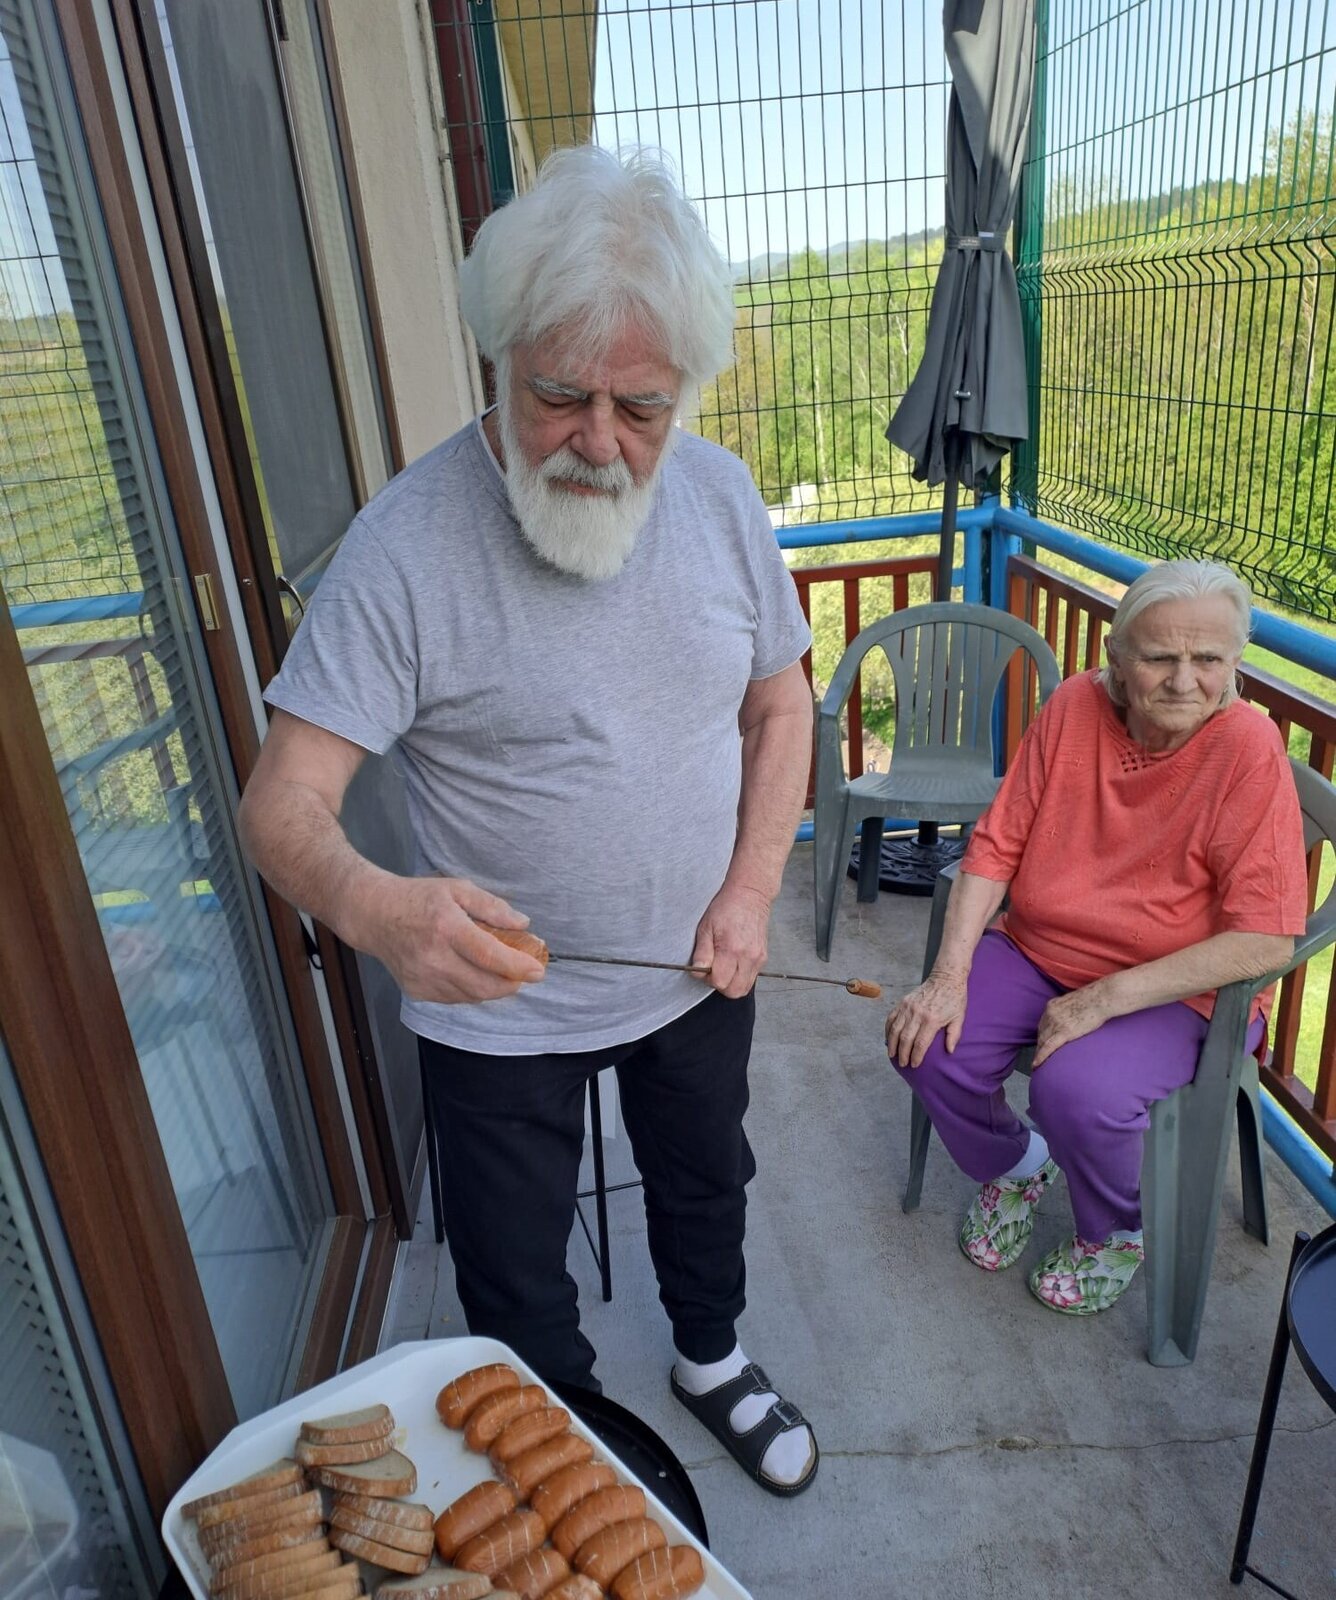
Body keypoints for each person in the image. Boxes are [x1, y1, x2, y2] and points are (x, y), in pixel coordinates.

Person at [237, 146, 819, 1496]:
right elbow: (282, 803)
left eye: (642, 407)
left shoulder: (721, 499)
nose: (601, 443)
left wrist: (748, 890)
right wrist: (376, 907)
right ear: (496, 359)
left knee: (707, 1180)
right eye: (559, 396)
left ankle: (712, 1356)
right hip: (494, 1009)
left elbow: (781, 705)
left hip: (695, 964)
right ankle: (561, 1441)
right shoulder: (404, 546)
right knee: (510, 1268)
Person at [884, 560, 1308, 1316]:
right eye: (1160, 656)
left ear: (1235, 662)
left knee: (1075, 1090)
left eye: (1209, 659)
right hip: (1041, 949)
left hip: (1178, 989)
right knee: (926, 1044)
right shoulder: (1075, 705)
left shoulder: (1247, 748)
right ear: (1116, 657)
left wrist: (1105, 998)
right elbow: (996, 846)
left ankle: (1114, 1231)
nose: (1185, 681)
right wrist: (948, 976)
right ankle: (1018, 1165)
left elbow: (1268, 939)